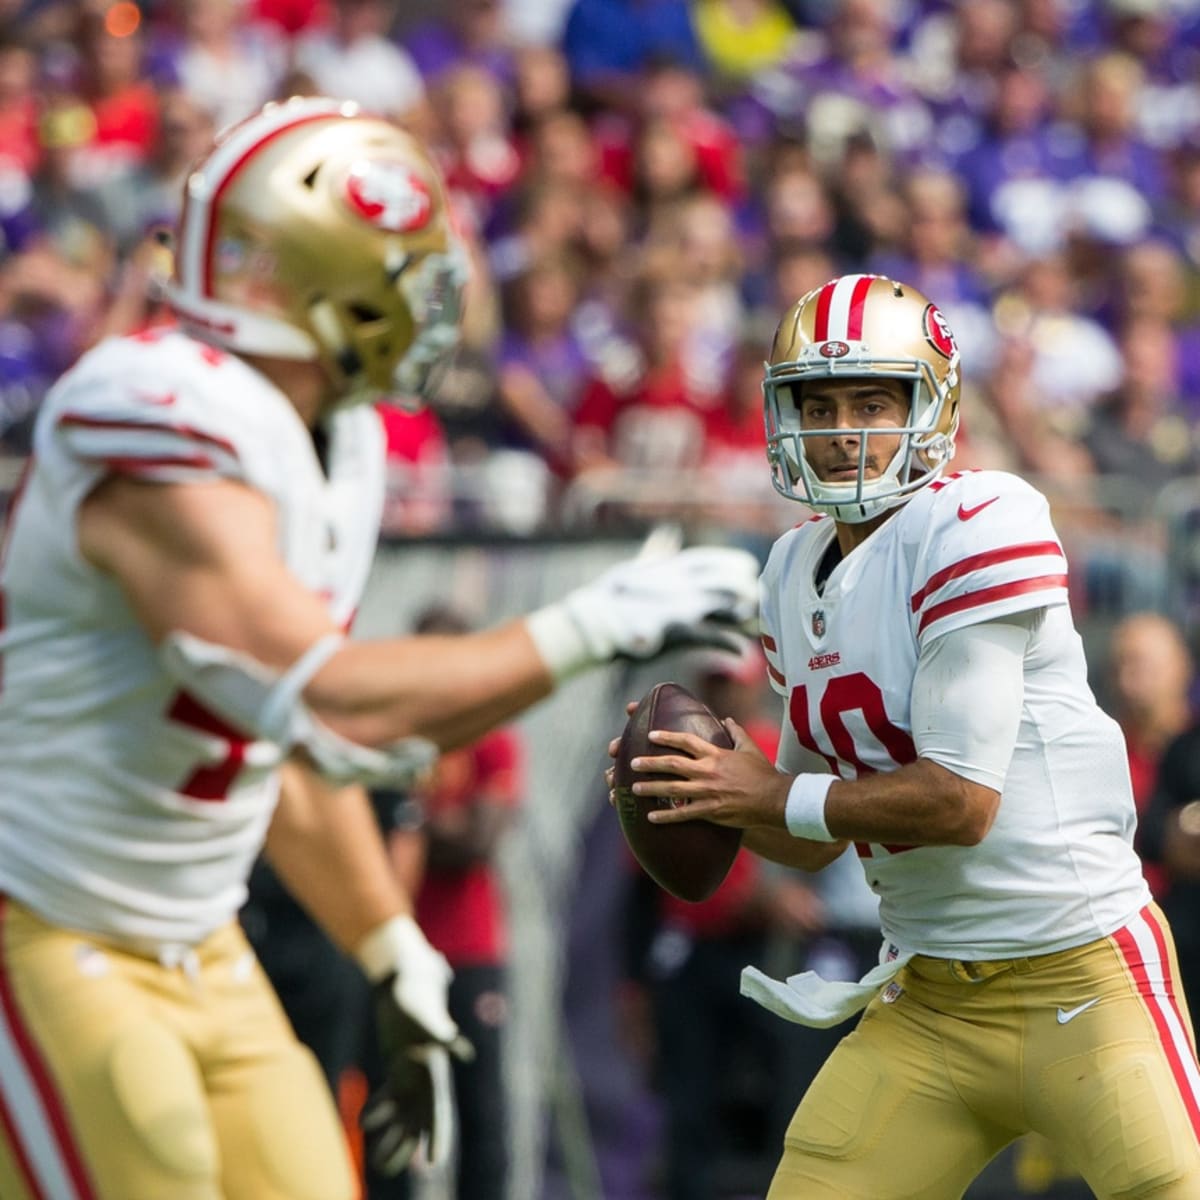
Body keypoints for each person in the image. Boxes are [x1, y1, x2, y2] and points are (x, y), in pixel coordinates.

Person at [0, 96, 761, 1200]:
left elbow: (284, 751)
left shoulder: (338, 438)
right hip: (42, 925)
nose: (440, 298)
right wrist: (591, 623)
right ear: (317, 284)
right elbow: (325, 702)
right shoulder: (158, 409)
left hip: (199, 940)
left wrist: (390, 946)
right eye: (408, 269)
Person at [609, 272, 1200, 1198]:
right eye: (820, 401)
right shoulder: (792, 566)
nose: (843, 428)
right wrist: (704, 787)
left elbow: (959, 803)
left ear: (932, 407)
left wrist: (767, 792)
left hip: (1082, 981)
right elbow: (808, 836)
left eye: (872, 401)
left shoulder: (979, 521)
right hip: (926, 1000)